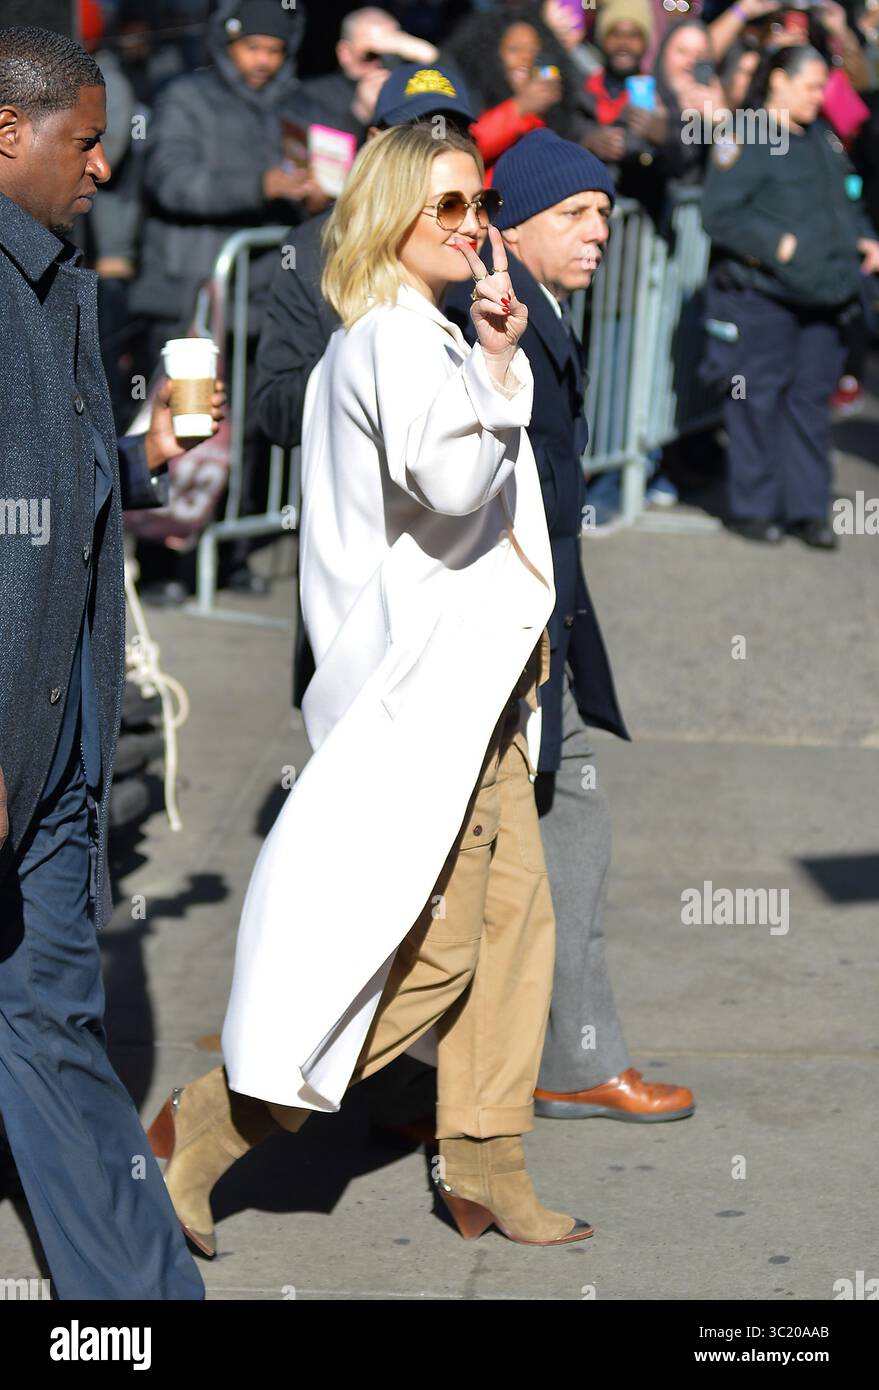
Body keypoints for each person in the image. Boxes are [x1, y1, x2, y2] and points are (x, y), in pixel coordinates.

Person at [148, 121, 595, 1254]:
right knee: (440, 952)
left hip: (482, 685)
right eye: (447, 206)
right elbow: (454, 479)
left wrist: (484, 354)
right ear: (393, 216)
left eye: (479, 203)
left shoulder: (419, 332)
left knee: (515, 933)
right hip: (427, 695)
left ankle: (487, 1157)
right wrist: (500, 361)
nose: (472, 225)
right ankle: (220, 1118)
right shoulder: (392, 338)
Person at [0, 24, 224, 1300]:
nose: (103, 166)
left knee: (50, 1023)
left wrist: (146, 454)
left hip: (57, 735)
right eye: (84, 142)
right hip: (14, 740)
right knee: (49, 1028)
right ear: (8, 131)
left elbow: (56, 491)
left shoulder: (54, 279)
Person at [449, 129, 695, 1122]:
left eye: (603, 213)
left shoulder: (534, 312)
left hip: (537, 632)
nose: (599, 231)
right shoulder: (496, 319)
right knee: (537, 851)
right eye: (575, 214)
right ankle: (561, 1063)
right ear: (512, 226)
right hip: (511, 638)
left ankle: (536, 1061)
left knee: (545, 846)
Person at [129, 0, 321, 603]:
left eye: (275, 50)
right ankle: (162, 560)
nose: (264, 60)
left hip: (261, 296)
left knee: (250, 433)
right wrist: (259, 185)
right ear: (227, 44)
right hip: (190, 291)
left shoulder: (293, 104)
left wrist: (313, 193)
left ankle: (231, 551)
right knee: (181, 422)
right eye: (252, 47)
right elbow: (171, 180)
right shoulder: (187, 97)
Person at [701, 43, 879, 544]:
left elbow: (847, 201)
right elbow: (719, 214)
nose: (819, 96)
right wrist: (778, 246)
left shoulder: (821, 136)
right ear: (778, 79)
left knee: (810, 402)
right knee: (755, 400)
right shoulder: (745, 133)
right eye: (811, 86)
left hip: (825, 297)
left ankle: (807, 510)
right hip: (765, 296)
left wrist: (865, 238)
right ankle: (755, 508)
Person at [445, 4, 583, 171]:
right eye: (514, 50)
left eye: (534, 51)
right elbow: (466, 149)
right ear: (491, 55)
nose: (526, 58)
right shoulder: (469, 100)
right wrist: (519, 107)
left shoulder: (545, 111)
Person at [302, 6, 440, 142]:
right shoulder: (312, 95)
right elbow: (323, 152)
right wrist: (360, 113)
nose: (380, 64)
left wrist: (429, 55)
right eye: (371, 55)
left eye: (391, 55)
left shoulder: (409, 91)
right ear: (345, 53)